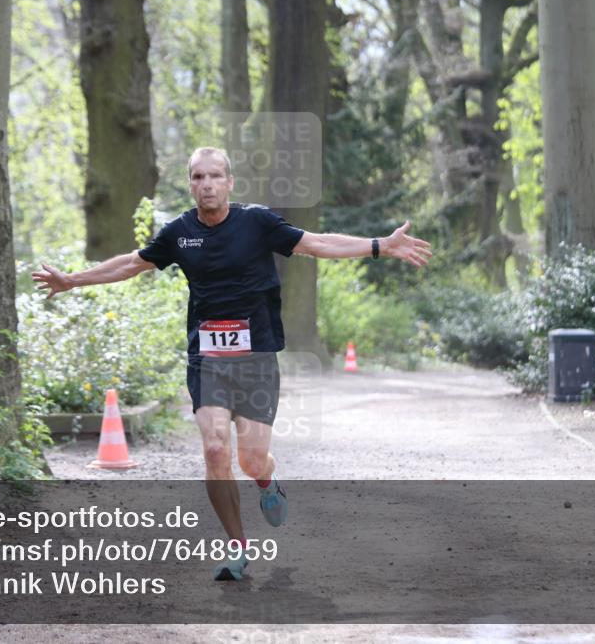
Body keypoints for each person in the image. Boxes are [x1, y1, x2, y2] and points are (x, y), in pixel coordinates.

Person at [32, 147, 432, 581]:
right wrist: (71, 280)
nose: (207, 184)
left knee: (253, 459)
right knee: (215, 448)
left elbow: (316, 244)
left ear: (230, 182)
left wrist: (379, 246)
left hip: (256, 356)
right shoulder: (179, 233)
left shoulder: (257, 222)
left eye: (215, 176)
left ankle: (266, 481)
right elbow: (132, 264)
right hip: (208, 359)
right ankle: (237, 547)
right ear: (190, 184)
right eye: (199, 177)